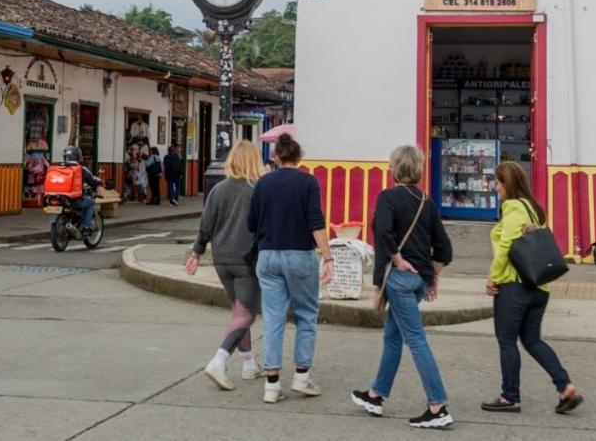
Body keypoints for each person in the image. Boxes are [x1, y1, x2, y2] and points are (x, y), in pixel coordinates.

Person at [352, 145, 454, 430]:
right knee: (393, 337)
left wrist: (397, 258)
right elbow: (444, 248)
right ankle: (376, 395)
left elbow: (383, 232)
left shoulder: (387, 198)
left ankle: (438, 405)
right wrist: (433, 277)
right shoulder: (426, 200)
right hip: (420, 279)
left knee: (416, 339)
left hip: (399, 280)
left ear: (394, 168)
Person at [483, 161, 582, 415]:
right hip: (540, 286)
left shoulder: (513, 207)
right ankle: (565, 386)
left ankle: (509, 397)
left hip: (515, 286)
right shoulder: (534, 209)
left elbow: (506, 247)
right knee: (532, 340)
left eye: (499, 182)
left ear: (508, 184)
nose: (496, 187)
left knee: (506, 340)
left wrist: (493, 278)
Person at [247, 132, 333, 403]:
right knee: (306, 314)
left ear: (275, 157)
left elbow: (251, 223)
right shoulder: (308, 182)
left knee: (273, 318)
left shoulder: (262, 184)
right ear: (299, 157)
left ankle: (272, 386)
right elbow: (315, 221)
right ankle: (301, 378)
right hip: (299, 255)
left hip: (268, 255)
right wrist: (328, 256)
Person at [187, 141, 264, 390]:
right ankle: (219, 361)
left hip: (221, 259)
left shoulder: (217, 190)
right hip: (246, 260)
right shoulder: (256, 191)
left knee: (238, 312)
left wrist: (196, 252)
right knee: (247, 314)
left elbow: (206, 224)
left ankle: (249, 363)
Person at [56, 145, 100, 231]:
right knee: (90, 203)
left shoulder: (60, 167)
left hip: (60, 197)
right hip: (74, 199)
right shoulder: (81, 169)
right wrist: (98, 183)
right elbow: (92, 180)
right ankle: (86, 227)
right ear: (77, 156)